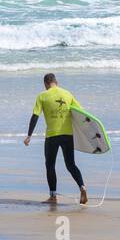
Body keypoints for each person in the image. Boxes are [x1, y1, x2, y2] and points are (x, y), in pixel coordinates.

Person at [23, 73, 87, 204]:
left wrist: (29, 135)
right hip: (68, 135)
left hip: (52, 136)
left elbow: (35, 116)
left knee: (50, 165)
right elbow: (81, 113)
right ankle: (82, 187)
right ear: (56, 82)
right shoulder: (68, 94)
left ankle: (53, 196)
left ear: (46, 83)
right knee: (70, 164)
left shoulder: (42, 96)